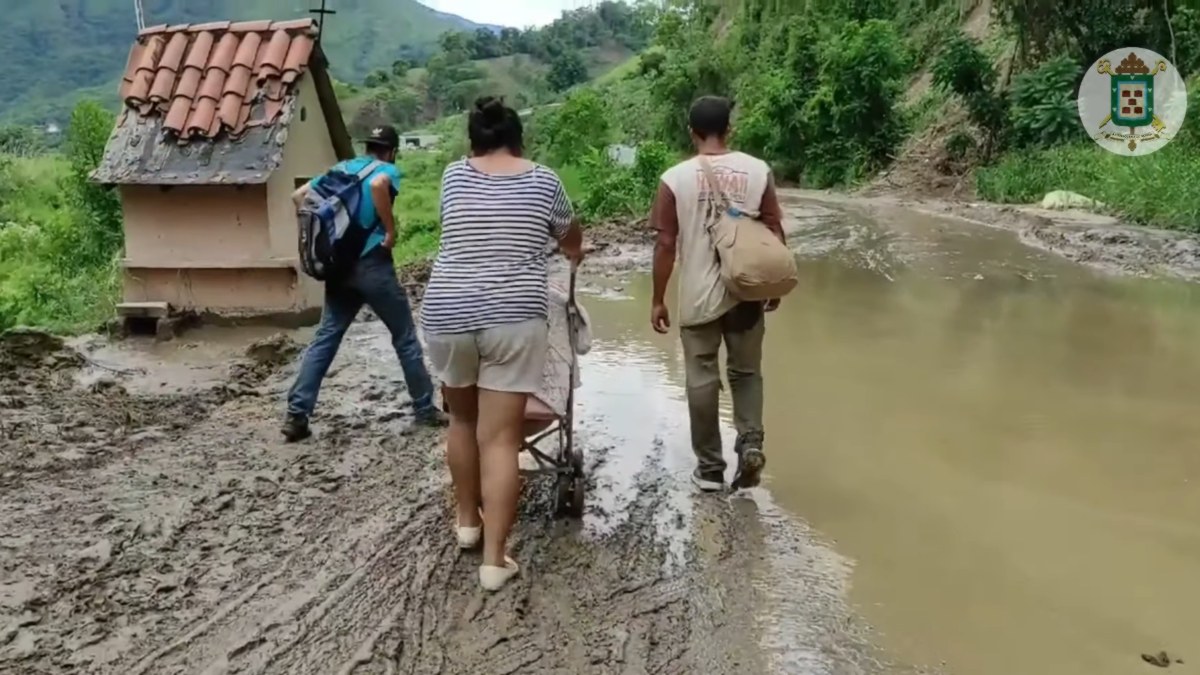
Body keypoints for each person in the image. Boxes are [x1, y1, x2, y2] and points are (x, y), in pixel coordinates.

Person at [421, 97, 584, 592]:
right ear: (519, 139)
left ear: (473, 140)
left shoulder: (453, 175)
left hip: (447, 309)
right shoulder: (545, 180)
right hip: (513, 317)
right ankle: (494, 560)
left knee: (462, 420)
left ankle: (467, 523)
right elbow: (571, 240)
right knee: (499, 440)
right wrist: (573, 249)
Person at [648, 96, 786, 493]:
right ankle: (751, 444)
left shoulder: (675, 178)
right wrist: (773, 281)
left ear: (692, 132)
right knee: (746, 373)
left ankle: (710, 469)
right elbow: (774, 229)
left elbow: (666, 245)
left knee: (701, 378)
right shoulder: (758, 170)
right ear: (731, 129)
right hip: (746, 290)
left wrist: (658, 298)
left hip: (697, 297)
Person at [282, 125, 447, 442]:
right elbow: (379, 184)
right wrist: (389, 230)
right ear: (392, 150)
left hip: (339, 269)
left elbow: (298, 196)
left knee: (326, 337)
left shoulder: (341, 168)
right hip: (373, 265)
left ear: (367, 147)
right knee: (404, 337)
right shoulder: (387, 170)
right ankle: (424, 410)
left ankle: (297, 415)